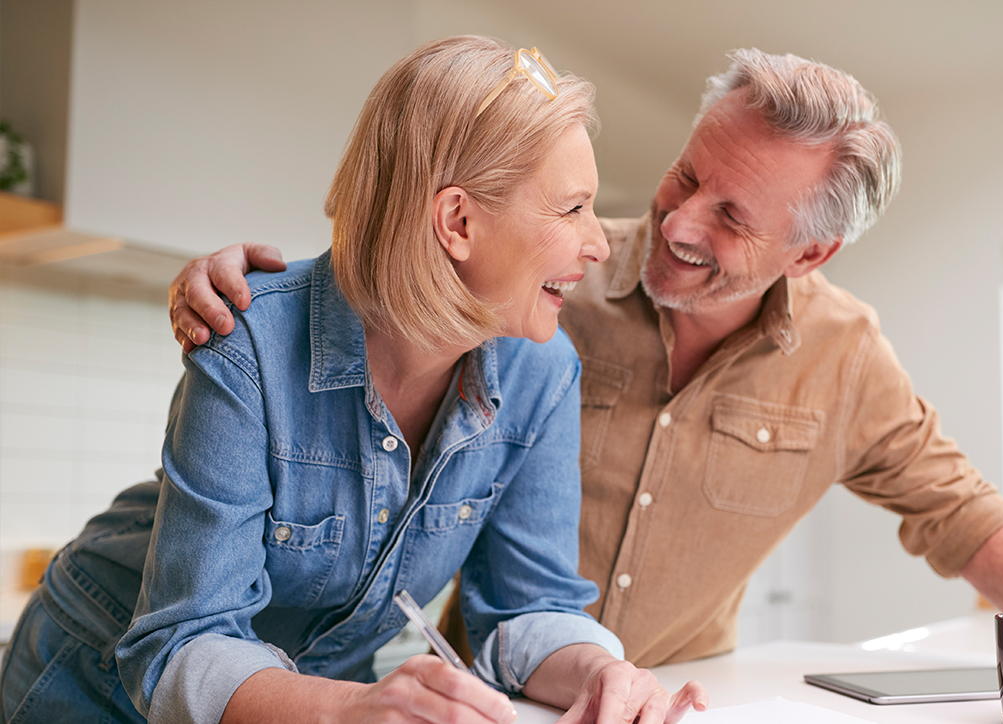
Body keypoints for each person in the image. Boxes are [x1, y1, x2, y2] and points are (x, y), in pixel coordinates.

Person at [168, 48, 1003, 718]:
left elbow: (963, 517)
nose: (674, 225)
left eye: (732, 216)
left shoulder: (842, 357)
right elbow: (388, 286)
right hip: (479, 693)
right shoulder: (543, 292)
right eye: (687, 175)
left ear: (809, 254)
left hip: (679, 694)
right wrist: (274, 285)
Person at [0, 36, 706, 724]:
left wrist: (603, 671)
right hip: (98, 684)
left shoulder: (541, 371)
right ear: (458, 221)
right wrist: (357, 708)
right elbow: (183, 647)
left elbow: (531, 607)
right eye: (572, 207)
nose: (598, 241)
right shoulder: (253, 339)